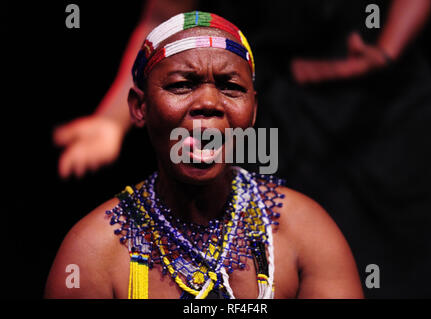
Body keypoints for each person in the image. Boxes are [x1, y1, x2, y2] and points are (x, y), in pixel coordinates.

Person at [45, 11, 363, 299]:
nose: (209, 102)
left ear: (253, 111)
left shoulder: (306, 232)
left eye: (230, 87)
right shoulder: (93, 254)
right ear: (139, 108)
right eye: (183, 85)